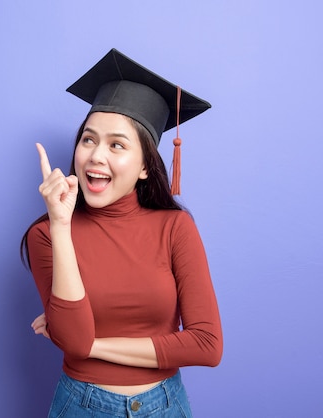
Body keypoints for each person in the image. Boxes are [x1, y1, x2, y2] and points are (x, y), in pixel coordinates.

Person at [20, 49, 222, 417]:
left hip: (165, 406)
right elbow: (72, 339)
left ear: (145, 166)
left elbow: (207, 345)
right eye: (88, 139)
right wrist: (61, 224)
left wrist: (89, 345)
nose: (96, 156)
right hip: (82, 406)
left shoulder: (175, 227)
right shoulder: (46, 235)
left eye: (116, 144)